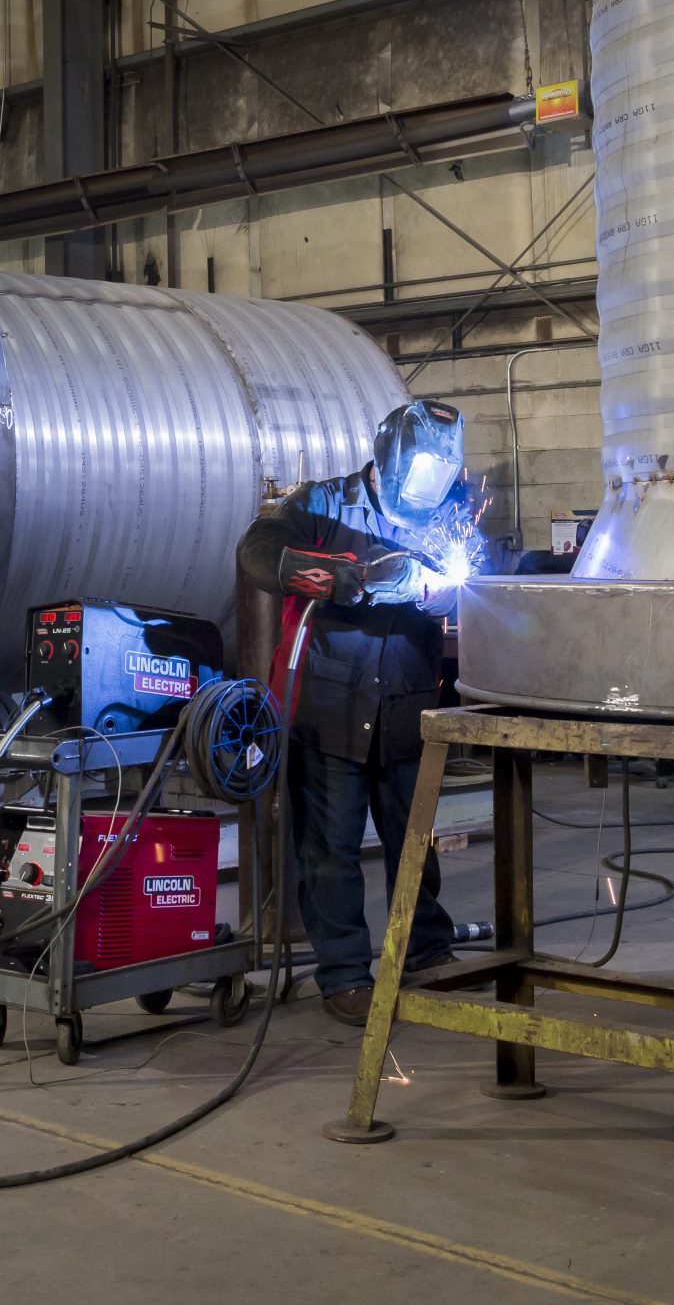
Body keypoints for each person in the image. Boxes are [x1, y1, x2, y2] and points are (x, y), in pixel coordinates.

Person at [238, 399, 475, 1027]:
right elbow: (257, 549)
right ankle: (344, 975)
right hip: (328, 710)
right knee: (329, 850)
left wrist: (436, 592)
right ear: (389, 459)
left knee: (413, 841)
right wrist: (322, 573)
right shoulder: (321, 504)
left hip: (406, 709)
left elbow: (473, 570)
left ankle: (425, 949)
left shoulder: (445, 511)